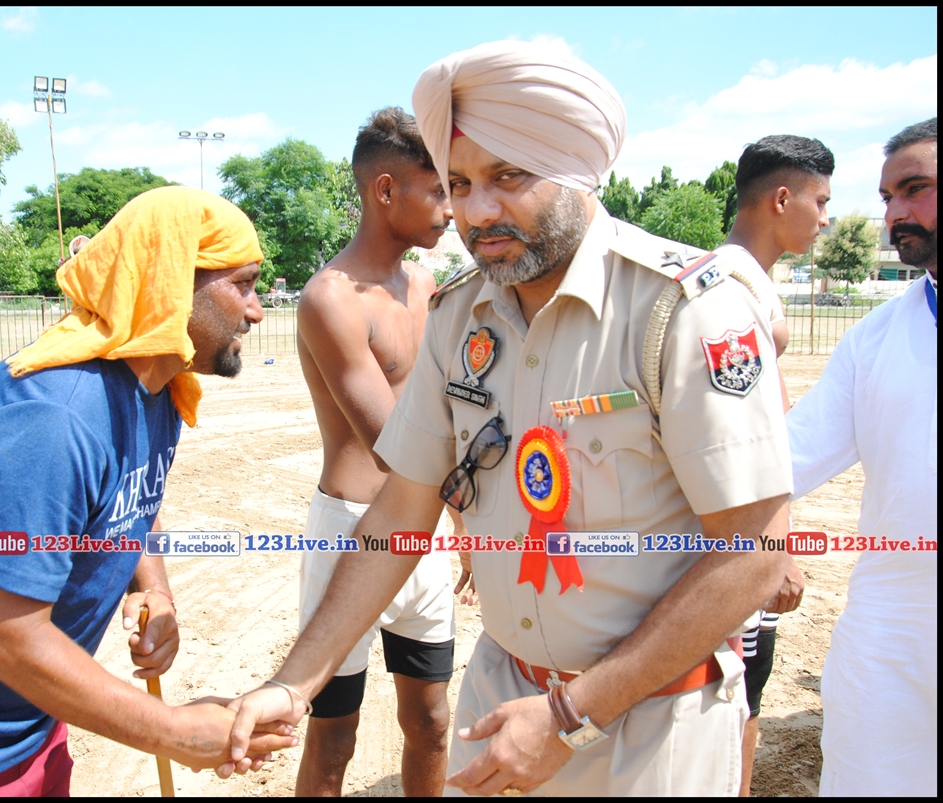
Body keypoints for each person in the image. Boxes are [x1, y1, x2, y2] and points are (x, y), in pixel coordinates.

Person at [225, 40, 796, 796]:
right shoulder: (460, 315)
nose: (475, 211)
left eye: (508, 177)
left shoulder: (685, 310)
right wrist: (293, 683)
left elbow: (754, 550)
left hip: (652, 731)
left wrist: (569, 716)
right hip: (501, 710)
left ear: (578, 170)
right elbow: (400, 510)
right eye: (459, 183)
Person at [0, 187, 295, 796]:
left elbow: (134, 501)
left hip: (23, 709)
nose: (256, 312)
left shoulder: (157, 382)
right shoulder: (54, 419)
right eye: (244, 285)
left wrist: (153, 588)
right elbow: (5, 635)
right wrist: (176, 733)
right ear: (171, 284)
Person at [294, 106, 460, 796]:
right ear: (385, 190)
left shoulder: (426, 286)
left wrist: (460, 526)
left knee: (431, 720)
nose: (452, 209)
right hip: (351, 532)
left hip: (426, 528)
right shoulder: (330, 299)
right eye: (439, 190)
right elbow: (397, 447)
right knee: (334, 736)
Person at [786, 117, 937, 797]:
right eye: (886, 197)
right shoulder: (874, 339)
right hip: (893, 622)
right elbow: (786, 457)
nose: (895, 212)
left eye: (915, 188)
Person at [721, 134, 835, 795]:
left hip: (742, 532)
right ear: (782, 198)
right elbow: (740, 443)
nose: (825, 219)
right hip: (735, 538)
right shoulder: (730, 291)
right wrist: (775, 549)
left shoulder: (749, 283)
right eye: (821, 202)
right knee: (737, 692)